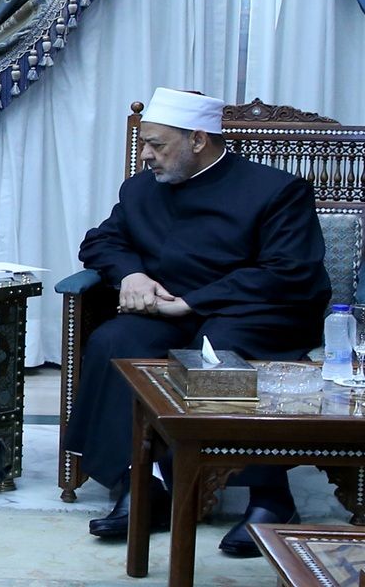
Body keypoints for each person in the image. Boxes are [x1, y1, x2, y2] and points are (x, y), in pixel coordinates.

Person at [64, 87, 331, 557]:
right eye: (144, 143)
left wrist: (193, 302)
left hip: (254, 312)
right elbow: (101, 242)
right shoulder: (141, 189)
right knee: (116, 339)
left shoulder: (277, 190)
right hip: (166, 310)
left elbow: (289, 271)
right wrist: (132, 274)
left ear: (199, 140)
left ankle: (271, 498)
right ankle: (142, 483)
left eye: (157, 144)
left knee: (217, 351)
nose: (145, 155)